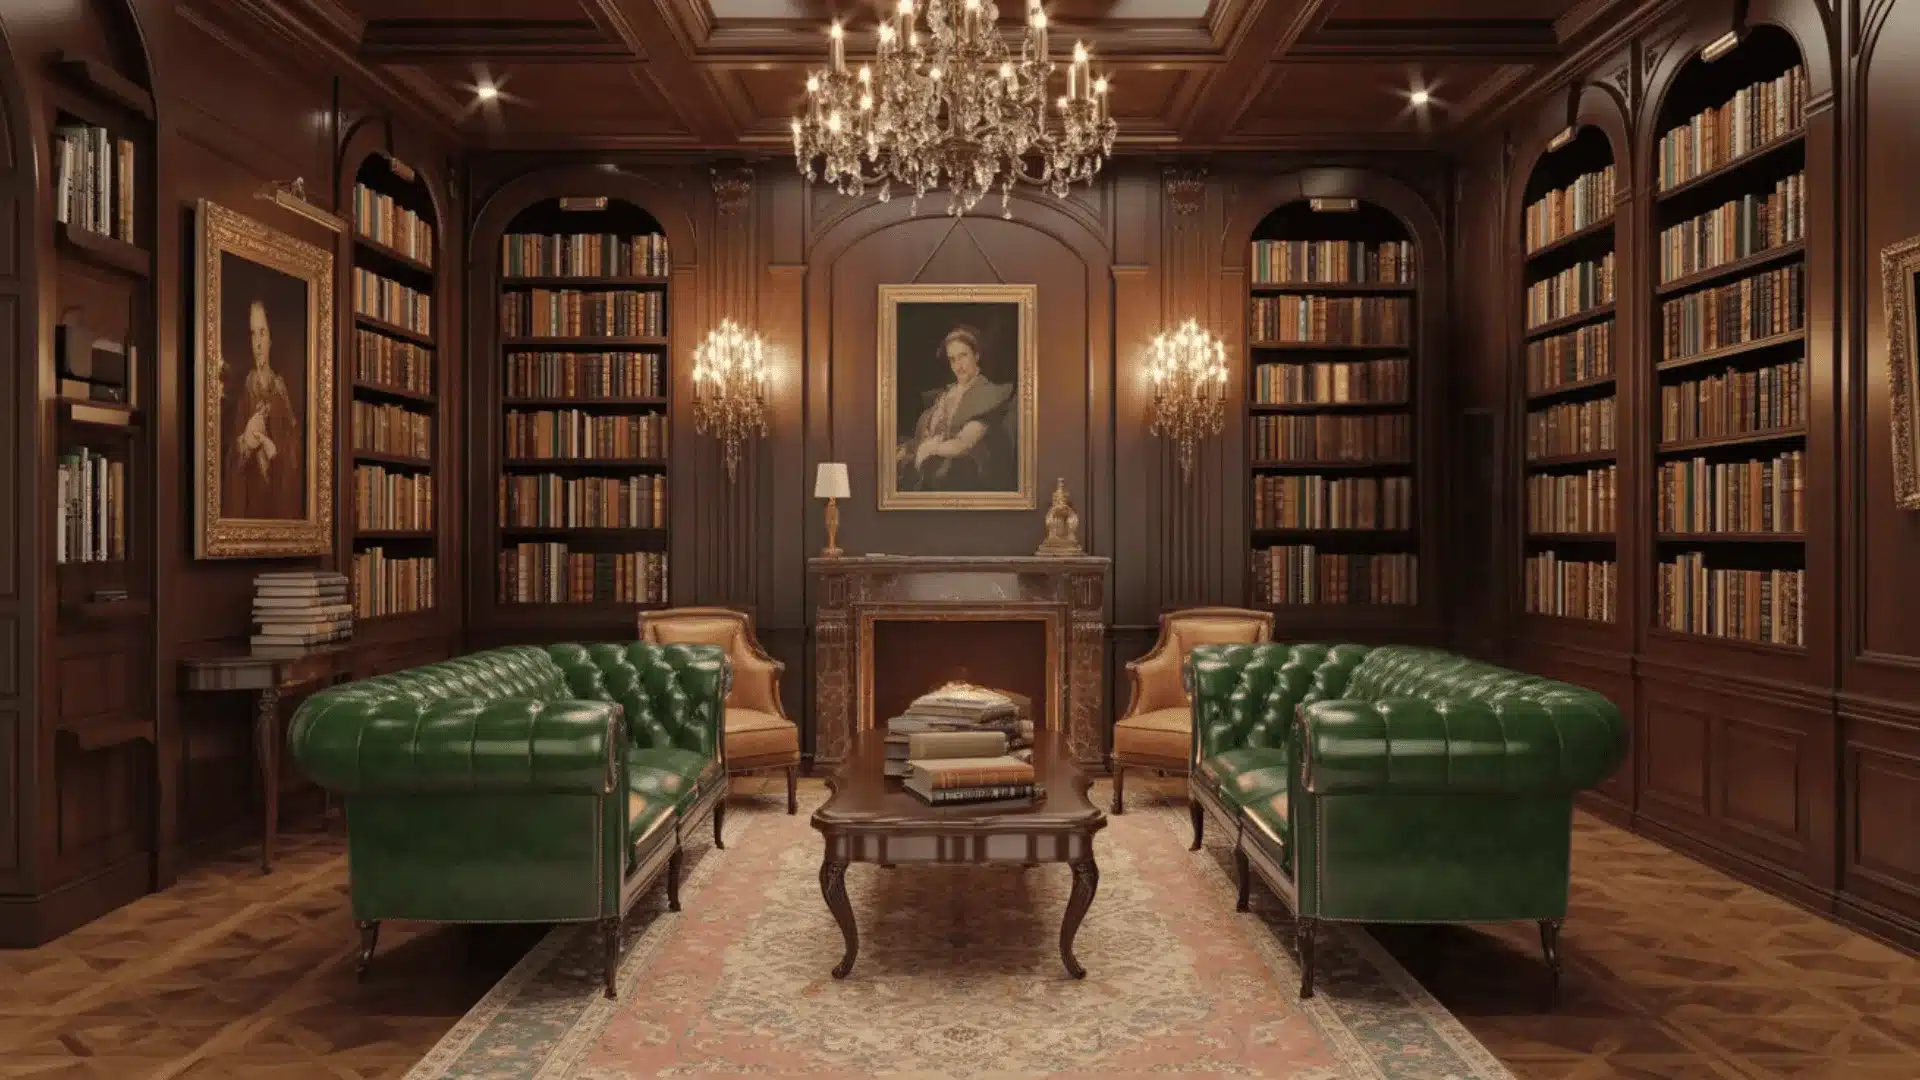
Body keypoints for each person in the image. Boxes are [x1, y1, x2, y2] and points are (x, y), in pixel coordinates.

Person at [896, 325, 1016, 492]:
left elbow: (964, 445)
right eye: (953, 359)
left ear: (976, 355)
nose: (958, 365)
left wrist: (931, 448)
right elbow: (926, 435)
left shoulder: (988, 393)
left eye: (963, 356)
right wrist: (909, 449)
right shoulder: (945, 395)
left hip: (965, 481)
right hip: (930, 480)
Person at [223, 299, 302, 519]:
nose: (257, 343)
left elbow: (297, 453)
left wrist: (273, 450)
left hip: (278, 508)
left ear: (271, 339)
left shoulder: (283, 392)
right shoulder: (239, 391)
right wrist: (244, 444)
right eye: (253, 334)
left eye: (262, 333)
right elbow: (222, 460)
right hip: (249, 509)